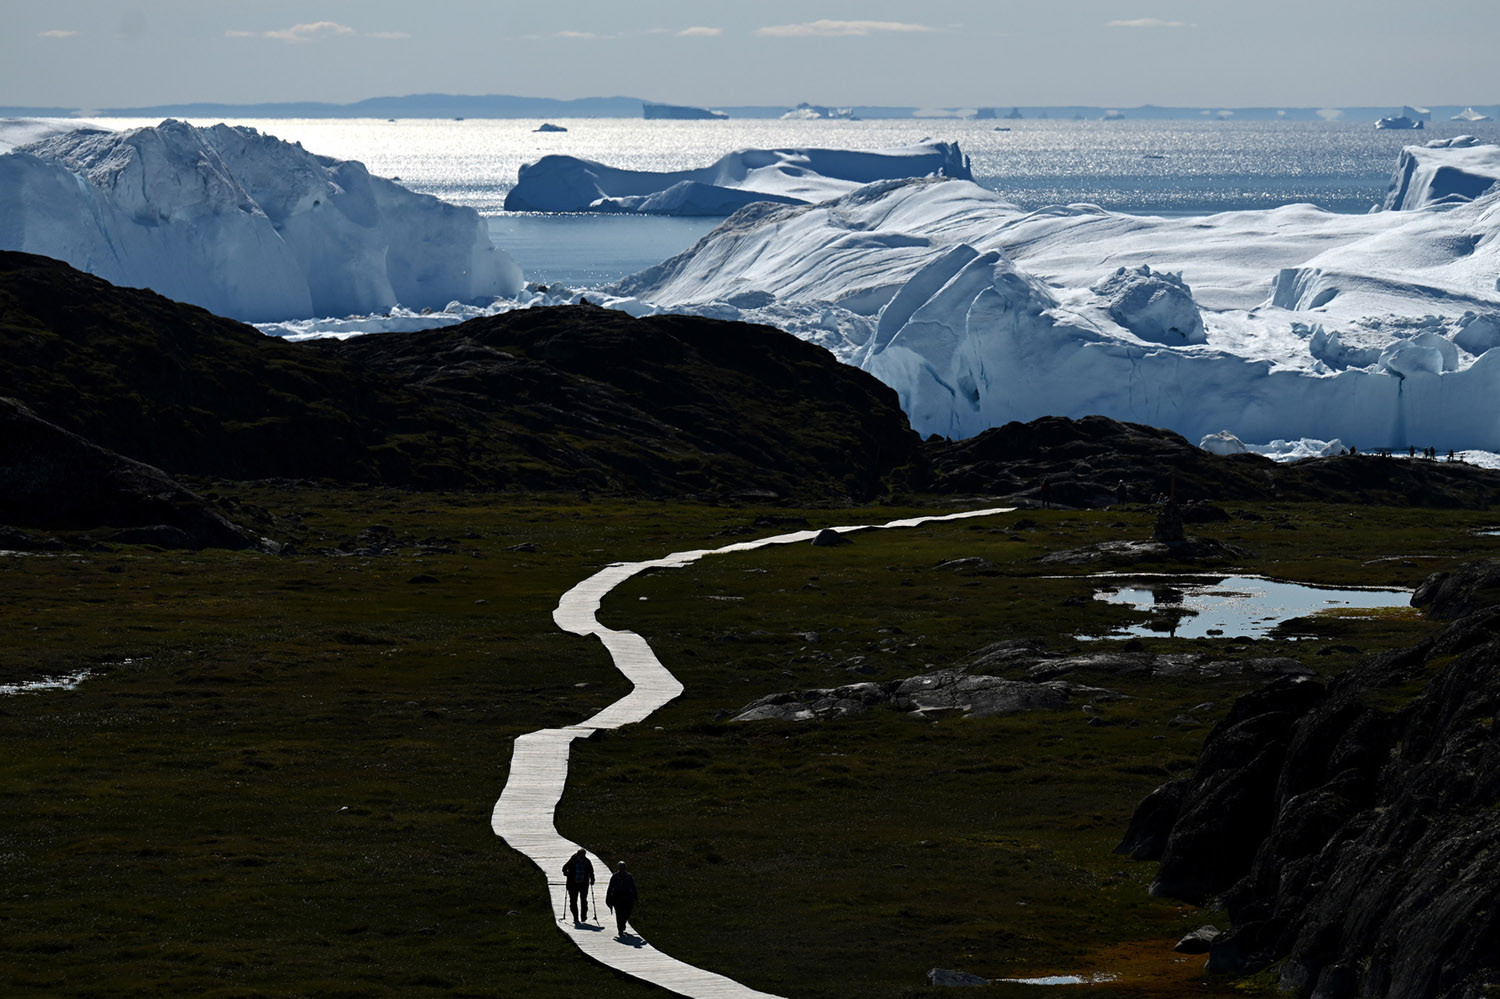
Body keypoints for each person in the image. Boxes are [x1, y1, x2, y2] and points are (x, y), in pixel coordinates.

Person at [605, 860, 638, 940]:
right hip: (617, 898)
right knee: (619, 914)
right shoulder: (615, 876)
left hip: (627, 898)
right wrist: (608, 898)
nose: (622, 869)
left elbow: (633, 887)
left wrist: (635, 896)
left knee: (627, 913)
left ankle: (623, 923)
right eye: (621, 868)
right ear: (619, 868)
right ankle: (620, 929)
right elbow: (610, 888)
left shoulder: (629, 876)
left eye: (623, 868)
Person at [562, 848, 594, 925]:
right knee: (573, 901)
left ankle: (583, 916)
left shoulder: (587, 861)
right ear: (578, 854)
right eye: (581, 855)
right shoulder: (572, 860)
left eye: (583, 855)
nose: (582, 857)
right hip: (573, 884)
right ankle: (575, 917)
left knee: (583, 900)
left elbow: (591, 871)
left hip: (583, 884)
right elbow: (564, 868)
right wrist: (567, 874)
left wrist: (592, 880)